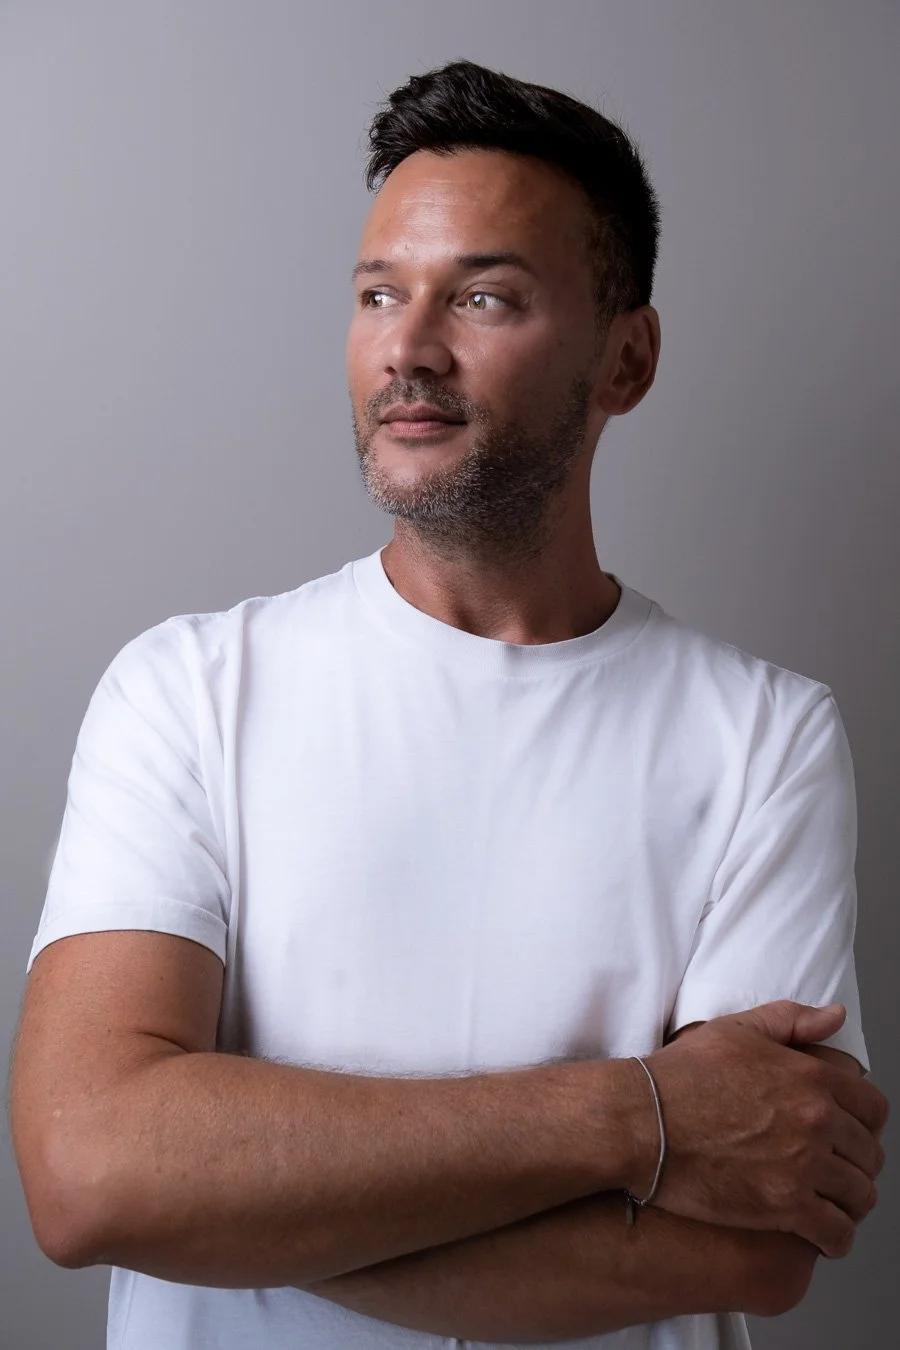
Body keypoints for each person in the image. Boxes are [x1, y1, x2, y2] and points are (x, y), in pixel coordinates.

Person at [9, 58, 889, 1350]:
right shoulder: (187, 689)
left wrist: (250, 1202)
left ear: (627, 358)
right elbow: (92, 1171)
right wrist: (645, 1118)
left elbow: (752, 1242)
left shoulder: (765, 736)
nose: (407, 348)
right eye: (379, 294)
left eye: (483, 295)